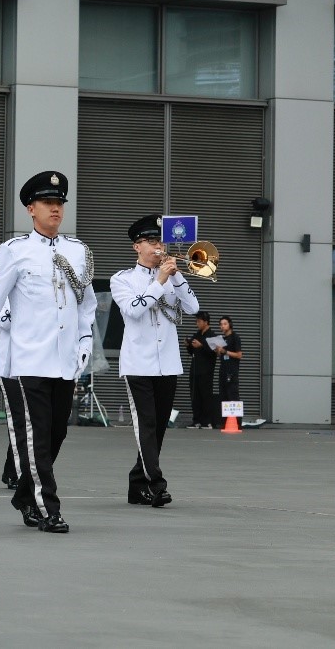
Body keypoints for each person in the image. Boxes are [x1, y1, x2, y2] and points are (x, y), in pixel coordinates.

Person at [0, 171, 98, 534]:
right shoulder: (15, 250)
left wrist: (85, 341)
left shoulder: (78, 250)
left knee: (56, 434)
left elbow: (86, 303)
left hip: (64, 360)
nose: (56, 209)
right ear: (30, 209)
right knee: (37, 437)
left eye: (59, 203)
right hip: (28, 359)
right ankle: (47, 507)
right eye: (47, 203)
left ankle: (25, 495)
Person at [110, 215, 199, 507]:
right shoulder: (122, 279)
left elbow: (193, 307)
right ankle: (156, 485)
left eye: (160, 241)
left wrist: (176, 276)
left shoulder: (172, 277)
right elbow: (134, 310)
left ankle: (137, 484)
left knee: (158, 427)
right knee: (146, 425)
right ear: (137, 246)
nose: (158, 246)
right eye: (151, 241)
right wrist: (160, 280)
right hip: (138, 363)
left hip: (168, 363)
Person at [187, 311, 220, 428]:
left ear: (206, 322)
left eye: (199, 321)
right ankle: (196, 420)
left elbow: (214, 352)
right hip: (195, 370)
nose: (197, 323)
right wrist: (189, 345)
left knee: (206, 396)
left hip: (206, 371)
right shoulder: (197, 335)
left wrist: (201, 345)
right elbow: (192, 351)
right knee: (195, 396)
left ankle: (207, 421)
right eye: (196, 321)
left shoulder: (213, 336)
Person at [217, 315, 243, 411]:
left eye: (225, 324)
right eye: (221, 324)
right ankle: (225, 419)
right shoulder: (222, 339)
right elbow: (220, 355)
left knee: (233, 395)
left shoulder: (235, 337)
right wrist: (218, 351)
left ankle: (236, 419)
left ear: (230, 324)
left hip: (231, 372)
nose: (222, 326)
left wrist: (225, 351)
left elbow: (239, 355)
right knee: (223, 396)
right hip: (223, 370)